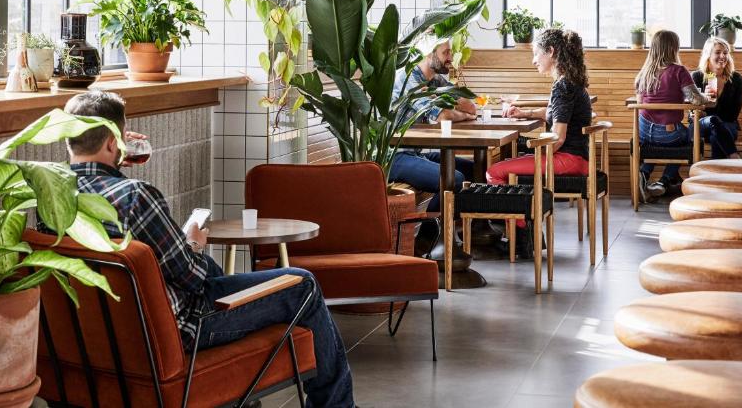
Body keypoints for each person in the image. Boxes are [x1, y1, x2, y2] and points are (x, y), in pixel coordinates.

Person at [62, 92, 354, 408]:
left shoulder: (53, 197)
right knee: (302, 285)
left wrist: (113, 157)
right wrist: (193, 244)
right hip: (182, 329)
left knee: (217, 275)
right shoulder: (136, 198)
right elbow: (191, 277)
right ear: (112, 143)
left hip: (100, 338)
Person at [487, 28, 593, 183]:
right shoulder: (569, 81)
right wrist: (526, 113)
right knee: (515, 160)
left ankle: (525, 200)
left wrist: (537, 154)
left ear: (550, 51)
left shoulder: (563, 86)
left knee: (494, 172)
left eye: (536, 54)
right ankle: (527, 198)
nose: (533, 60)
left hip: (567, 160)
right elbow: (558, 114)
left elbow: (558, 138)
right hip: (577, 159)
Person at [388, 39, 477, 214]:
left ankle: (465, 225)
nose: (450, 57)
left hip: (415, 154)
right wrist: (464, 116)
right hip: (394, 158)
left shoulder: (435, 80)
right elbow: (442, 117)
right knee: (455, 179)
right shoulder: (408, 79)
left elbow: (471, 106)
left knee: (474, 170)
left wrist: (438, 97)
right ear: (429, 53)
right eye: (446, 52)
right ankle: (431, 228)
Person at [634, 30, 707, 201]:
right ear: (674, 48)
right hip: (667, 134)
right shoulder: (679, 71)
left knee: (657, 143)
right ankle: (665, 180)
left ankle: (644, 173)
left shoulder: (643, 73)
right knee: (689, 139)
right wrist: (705, 97)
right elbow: (696, 99)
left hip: (642, 132)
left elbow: (639, 102)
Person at [691, 36, 742, 160]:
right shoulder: (697, 77)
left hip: (728, 124)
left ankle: (715, 171)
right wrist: (704, 100)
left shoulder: (736, 79)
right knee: (714, 122)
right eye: (718, 52)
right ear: (708, 55)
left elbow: (733, 114)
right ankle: (734, 156)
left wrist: (710, 112)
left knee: (717, 135)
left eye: (725, 53)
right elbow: (692, 111)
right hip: (701, 125)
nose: (722, 56)